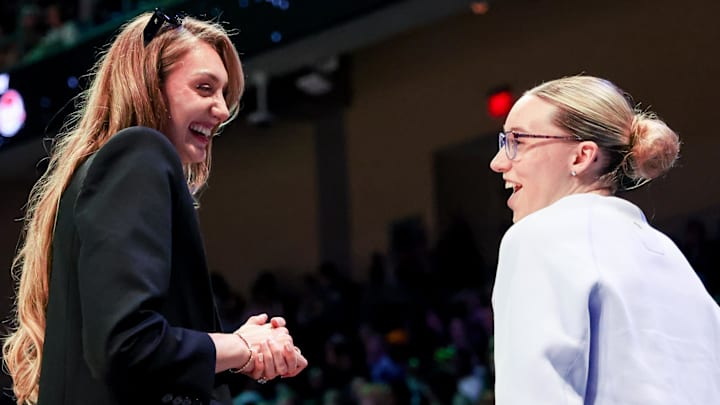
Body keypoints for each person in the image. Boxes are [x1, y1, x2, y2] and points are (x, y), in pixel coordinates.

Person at [2, 9, 308, 405]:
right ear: (150, 86)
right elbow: (127, 344)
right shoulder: (139, 153)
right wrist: (242, 347)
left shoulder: (106, 169)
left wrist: (238, 345)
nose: (221, 110)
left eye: (224, 94)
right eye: (204, 88)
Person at [489, 75, 720, 404]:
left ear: (582, 156)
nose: (498, 163)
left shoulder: (537, 237)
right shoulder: (669, 255)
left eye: (518, 141)